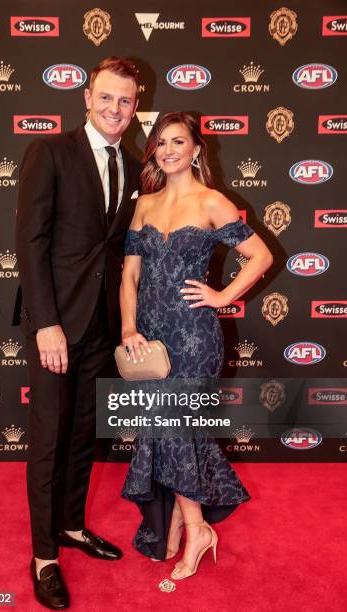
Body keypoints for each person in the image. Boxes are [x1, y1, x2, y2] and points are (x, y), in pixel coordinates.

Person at [119, 112, 273, 580]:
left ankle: (196, 531)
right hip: (150, 334)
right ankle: (175, 527)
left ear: (196, 150)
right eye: (160, 142)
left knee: (177, 431)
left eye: (177, 141)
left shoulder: (212, 202)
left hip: (194, 336)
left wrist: (223, 296)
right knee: (166, 432)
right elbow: (129, 275)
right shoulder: (145, 204)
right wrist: (128, 329)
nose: (167, 150)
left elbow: (261, 255)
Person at [14, 57, 141, 609]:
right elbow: (31, 241)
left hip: (102, 326)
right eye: (107, 97)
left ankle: (70, 526)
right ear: (87, 97)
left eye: (126, 101)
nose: (115, 109)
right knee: (49, 439)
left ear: (135, 108)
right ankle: (44, 555)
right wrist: (45, 323)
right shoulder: (52, 151)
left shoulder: (133, 166)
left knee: (84, 434)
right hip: (56, 321)